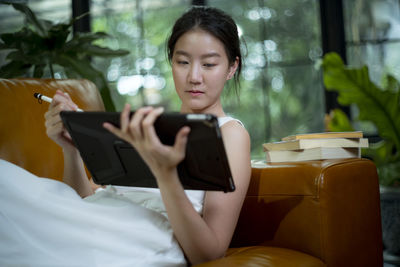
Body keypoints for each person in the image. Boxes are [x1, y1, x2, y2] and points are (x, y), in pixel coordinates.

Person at [0, 6, 251, 266]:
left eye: (209, 64)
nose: (194, 77)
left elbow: (209, 253)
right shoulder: (145, 125)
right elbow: (86, 199)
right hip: (95, 219)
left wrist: (167, 176)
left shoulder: (229, 133)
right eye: (183, 62)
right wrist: (71, 150)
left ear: (232, 67)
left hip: (139, 237)